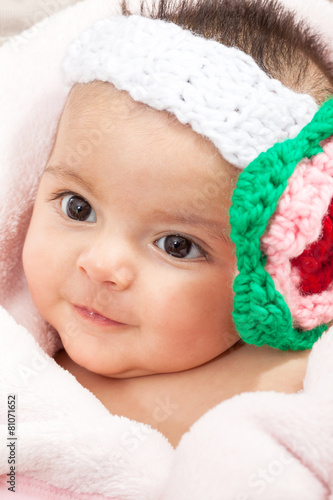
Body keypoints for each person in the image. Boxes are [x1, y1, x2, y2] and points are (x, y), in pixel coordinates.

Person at [1, 0, 333, 498]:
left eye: (177, 245)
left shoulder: (290, 388)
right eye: (77, 208)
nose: (101, 264)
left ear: (267, 285)